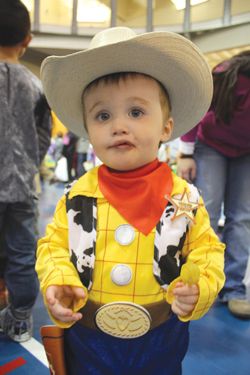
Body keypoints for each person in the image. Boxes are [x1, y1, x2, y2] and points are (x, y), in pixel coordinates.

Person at [36, 27, 225, 375]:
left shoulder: (185, 197)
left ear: (167, 127)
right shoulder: (77, 195)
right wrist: (58, 279)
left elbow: (207, 250)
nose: (119, 126)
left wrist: (200, 288)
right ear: (88, 129)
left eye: (136, 112)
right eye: (102, 115)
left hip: (162, 335)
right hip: (87, 334)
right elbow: (53, 245)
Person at [177, 51, 250, 319]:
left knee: (241, 218)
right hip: (211, 146)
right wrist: (185, 153)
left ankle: (234, 290)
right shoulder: (227, 75)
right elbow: (195, 106)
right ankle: (198, 283)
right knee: (205, 212)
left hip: (246, 151)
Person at [0, 0, 51, 342]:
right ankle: (20, 321)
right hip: (21, 187)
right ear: (27, 39)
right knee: (21, 255)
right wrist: (29, 163)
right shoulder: (36, 86)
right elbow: (44, 133)